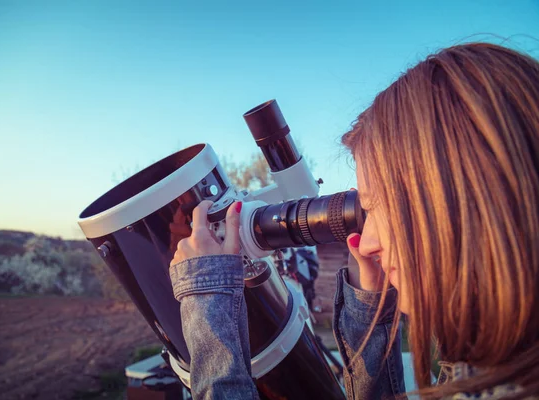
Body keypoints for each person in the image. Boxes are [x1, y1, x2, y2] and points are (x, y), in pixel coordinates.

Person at [168, 42, 539, 399]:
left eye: (379, 206)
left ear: (467, 201)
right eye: (367, 211)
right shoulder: (488, 364)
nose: (370, 239)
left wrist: (208, 295)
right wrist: (368, 308)